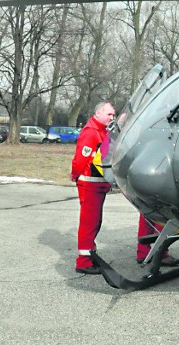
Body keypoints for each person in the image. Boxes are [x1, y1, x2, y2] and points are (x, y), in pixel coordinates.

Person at [71, 101, 115, 275]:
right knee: (89, 223)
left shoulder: (103, 131)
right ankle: (83, 261)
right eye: (109, 114)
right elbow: (81, 159)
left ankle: (89, 255)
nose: (112, 117)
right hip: (90, 185)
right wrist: (75, 175)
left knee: (95, 222)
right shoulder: (91, 132)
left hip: (97, 185)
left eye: (113, 114)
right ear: (98, 113)